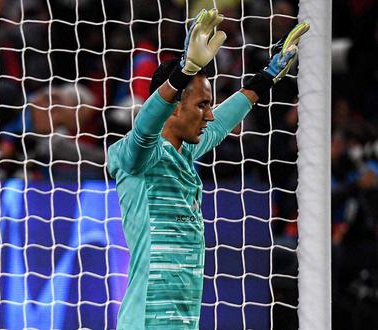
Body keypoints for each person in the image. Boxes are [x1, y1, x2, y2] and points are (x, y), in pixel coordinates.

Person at [107, 8, 309, 329]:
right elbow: (145, 127)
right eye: (202, 105)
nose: (210, 115)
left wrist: (267, 76)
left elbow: (222, 123)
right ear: (173, 107)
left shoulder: (186, 151)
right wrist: (184, 71)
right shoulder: (138, 155)